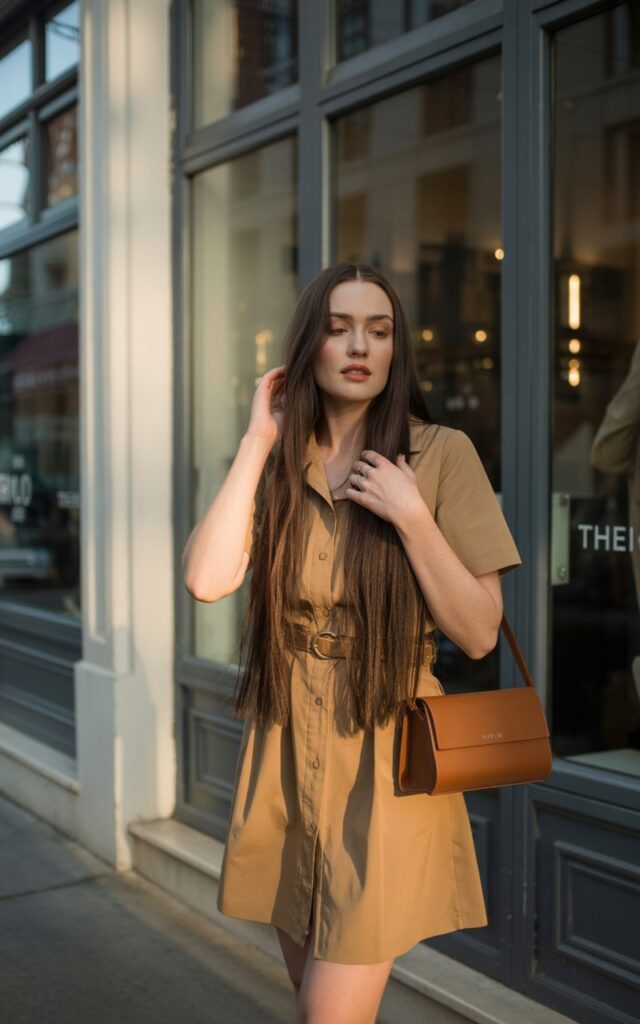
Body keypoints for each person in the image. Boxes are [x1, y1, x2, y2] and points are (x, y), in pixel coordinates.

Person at [182, 262, 522, 1024]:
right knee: (312, 1003)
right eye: (338, 328)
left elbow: (477, 632)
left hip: (387, 749)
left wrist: (412, 516)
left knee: (326, 1015)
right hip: (283, 744)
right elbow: (207, 581)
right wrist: (255, 439)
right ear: (308, 346)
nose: (360, 345)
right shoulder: (281, 458)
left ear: (397, 347)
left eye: (379, 329)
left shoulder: (441, 455)